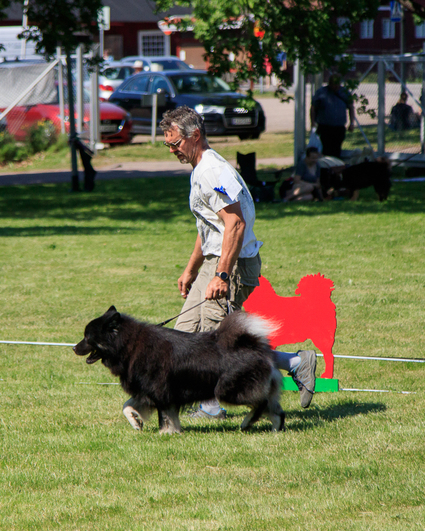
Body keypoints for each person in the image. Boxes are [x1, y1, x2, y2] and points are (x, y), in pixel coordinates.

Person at [119, 106, 316, 423]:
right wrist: (191, 270)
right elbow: (210, 227)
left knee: (217, 342)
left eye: (175, 144)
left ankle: (218, 403)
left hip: (233, 265)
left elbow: (235, 223)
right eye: (167, 144)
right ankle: (156, 403)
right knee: (183, 335)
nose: (171, 150)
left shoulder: (212, 171)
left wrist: (222, 275)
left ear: (195, 135)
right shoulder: (200, 169)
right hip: (215, 262)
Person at [310, 74, 355, 158]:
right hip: (325, 127)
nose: (336, 87)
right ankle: (326, 164)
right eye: (334, 84)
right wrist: (313, 122)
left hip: (339, 127)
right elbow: (313, 108)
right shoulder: (321, 92)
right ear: (329, 84)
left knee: (336, 149)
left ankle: (335, 164)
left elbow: (351, 107)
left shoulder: (345, 92)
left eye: (337, 84)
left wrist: (352, 122)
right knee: (326, 149)